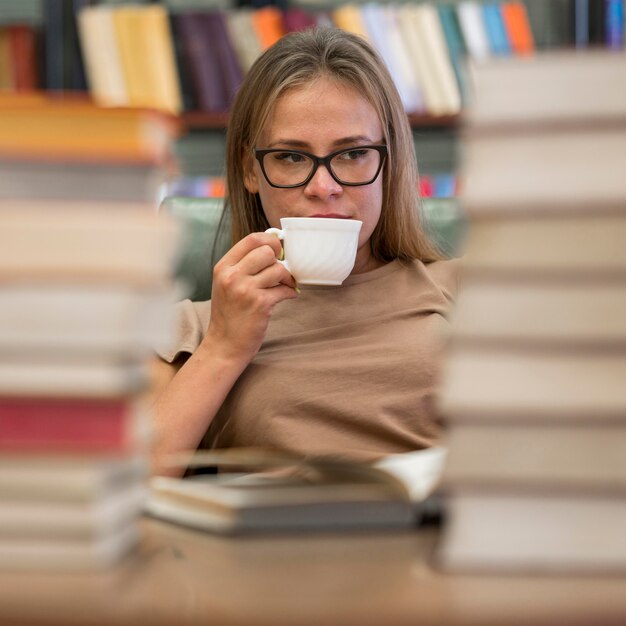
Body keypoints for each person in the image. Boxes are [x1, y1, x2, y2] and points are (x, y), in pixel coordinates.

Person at [151, 26, 458, 476]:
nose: (323, 188)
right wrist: (223, 348)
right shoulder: (196, 328)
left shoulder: (464, 291)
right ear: (250, 171)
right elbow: (115, 500)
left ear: (388, 163)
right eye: (292, 158)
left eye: (352, 154)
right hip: (272, 541)